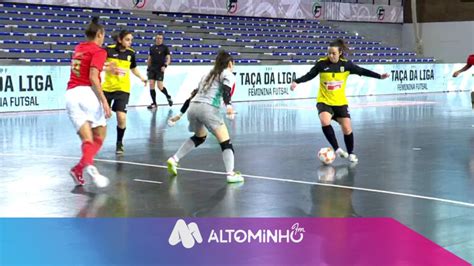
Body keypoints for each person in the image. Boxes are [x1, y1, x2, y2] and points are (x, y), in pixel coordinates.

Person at [291, 39, 389, 163]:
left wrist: (379, 76)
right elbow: (309, 75)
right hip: (324, 100)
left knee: (347, 128)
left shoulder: (346, 65)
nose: (331, 55)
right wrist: (297, 82)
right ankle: (337, 149)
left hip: (340, 102)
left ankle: (351, 153)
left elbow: (362, 71)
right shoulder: (321, 64)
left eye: (333, 53)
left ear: (340, 52)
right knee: (324, 120)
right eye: (329, 53)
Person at [166, 51, 243, 183]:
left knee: (200, 137)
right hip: (208, 109)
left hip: (193, 108)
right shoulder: (228, 73)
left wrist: (179, 114)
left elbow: (193, 95)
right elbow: (226, 90)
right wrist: (229, 106)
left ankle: (174, 159)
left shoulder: (207, 75)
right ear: (230, 63)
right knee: (225, 142)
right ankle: (230, 174)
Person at [65, 17, 111, 187]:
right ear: (99, 34)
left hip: (71, 95)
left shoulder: (79, 48)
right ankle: (87, 165)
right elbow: (92, 77)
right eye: (103, 35)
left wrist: (107, 67)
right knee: (100, 135)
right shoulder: (100, 51)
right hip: (87, 94)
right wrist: (104, 101)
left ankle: (79, 170)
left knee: (87, 140)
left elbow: (86, 66)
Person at [102, 29, 147, 154]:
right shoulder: (108, 50)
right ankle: (95, 143)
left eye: (131, 40)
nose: (130, 42)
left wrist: (142, 77)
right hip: (107, 89)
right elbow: (99, 65)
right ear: (119, 40)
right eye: (127, 39)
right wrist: (108, 68)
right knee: (100, 118)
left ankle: (119, 143)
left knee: (121, 118)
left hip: (123, 89)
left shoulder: (131, 53)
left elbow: (133, 68)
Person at [147, 33, 173, 109]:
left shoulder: (165, 48)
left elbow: (168, 58)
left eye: (160, 38)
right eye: (158, 38)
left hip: (160, 69)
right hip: (152, 69)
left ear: (162, 39)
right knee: (151, 85)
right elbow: (150, 58)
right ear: (155, 39)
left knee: (160, 86)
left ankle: (168, 96)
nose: (159, 40)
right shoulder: (152, 48)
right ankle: (154, 103)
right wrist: (148, 68)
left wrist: (165, 66)